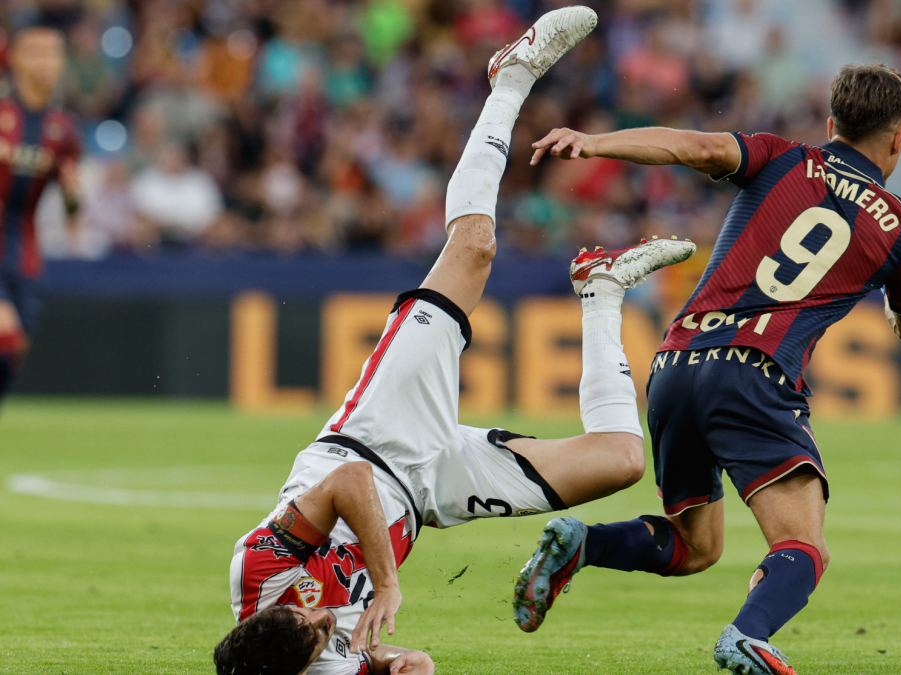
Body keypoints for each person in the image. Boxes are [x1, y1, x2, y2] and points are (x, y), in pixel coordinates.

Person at [212, 8, 696, 674]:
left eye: (309, 615)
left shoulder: (258, 570)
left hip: (375, 439)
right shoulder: (313, 666)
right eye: (321, 632)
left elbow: (348, 483)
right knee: (618, 461)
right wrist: (402, 662)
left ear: (270, 613)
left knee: (474, 247)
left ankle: (510, 79)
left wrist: (385, 583)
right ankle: (602, 290)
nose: (324, 618)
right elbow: (401, 662)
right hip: (431, 491)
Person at [512, 64, 901, 675]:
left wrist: (596, 141)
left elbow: (694, 146)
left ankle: (583, 544)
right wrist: (894, 300)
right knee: (802, 546)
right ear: (898, 138)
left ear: (831, 123)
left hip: (676, 363)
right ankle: (747, 636)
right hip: (754, 373)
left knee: (695, 545)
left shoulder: (782, 158)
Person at [0, 23, 81, 408]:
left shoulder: (62, 129)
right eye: (36, 51)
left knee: (15, 352)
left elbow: (72, 206)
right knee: (4, 335)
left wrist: (73, 198)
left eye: (53, 52)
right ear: (14, 58)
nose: (46, 61)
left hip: (26, 251)